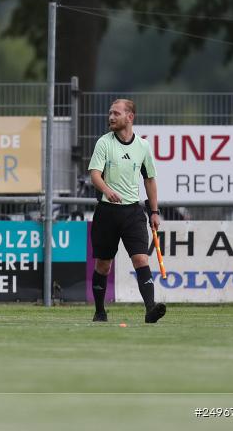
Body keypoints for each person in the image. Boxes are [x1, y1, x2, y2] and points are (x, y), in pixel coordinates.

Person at [88, 99, 166, 324]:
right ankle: (100, 311)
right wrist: (107, 190)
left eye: (116, 113)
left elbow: (149, 179)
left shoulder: (143, 146)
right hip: (107, 212)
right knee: (103, 264)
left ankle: (151, 310)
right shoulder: (104, 143)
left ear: (130, 117)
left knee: (141, 259)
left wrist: (154, 211)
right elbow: (94, 174)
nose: (111, 117)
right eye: (110, 113)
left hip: (132, 212)